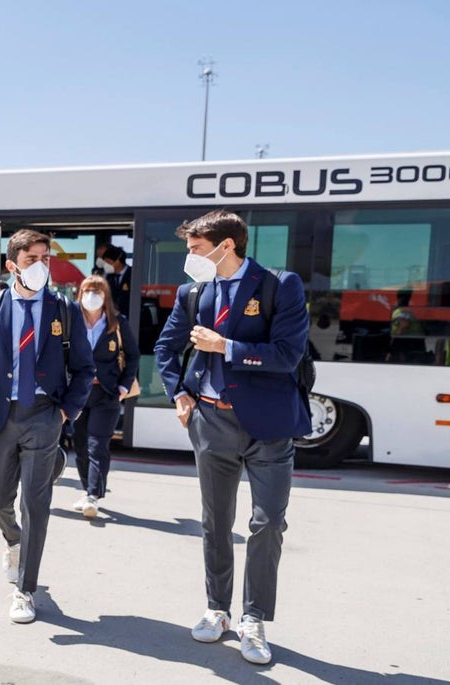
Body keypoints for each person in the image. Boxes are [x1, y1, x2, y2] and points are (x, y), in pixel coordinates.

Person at [153, 210, 310, 666]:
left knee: (267, 522)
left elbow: (287, 354)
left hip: (269, 425)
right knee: (215, 522)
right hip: (210, 421)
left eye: (196, 249)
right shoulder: (193, 292)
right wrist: (179, 394)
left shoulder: (280, 285)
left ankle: (254, 619)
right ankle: (218, 609)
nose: (190, 258)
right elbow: (166, 347)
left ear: (226, 246)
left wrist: (227, 347)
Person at [0, 228, 95, 624]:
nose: (40, 266)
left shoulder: (64, 310)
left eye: (45, 259)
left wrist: (66, 412)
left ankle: (26, 590)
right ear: (11, 264)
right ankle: (14, 539)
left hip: (44, 416)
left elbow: (84, 369)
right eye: (31, 259)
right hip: (0, 416)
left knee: (36, 505)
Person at [70, 275, 139, 518]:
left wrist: (123, 387)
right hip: (78, 392)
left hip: (106, 393)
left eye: (98, 291)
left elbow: (133, 356)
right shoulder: (72, 319)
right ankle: (87, 489)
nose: (92, 295)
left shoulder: (117, 322)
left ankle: (92, 495)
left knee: (97, 445)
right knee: (79, 445)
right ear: (80, 293)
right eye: (88, 290)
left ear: (105, 296)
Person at [102, 246, 133, 314]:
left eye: (108, 262)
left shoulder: (133, 274)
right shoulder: (108, 277)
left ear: (118, 260)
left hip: (130, 315)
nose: (106, 265)